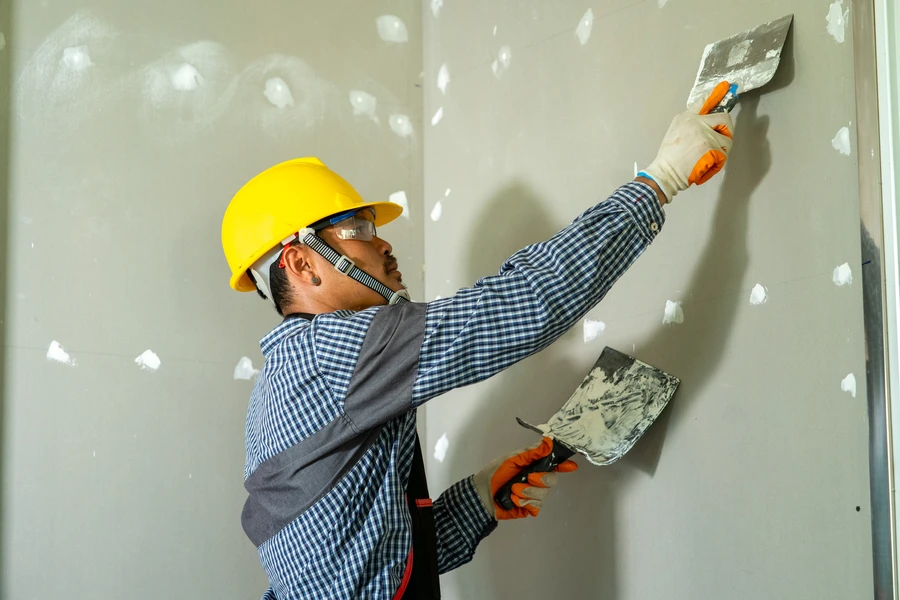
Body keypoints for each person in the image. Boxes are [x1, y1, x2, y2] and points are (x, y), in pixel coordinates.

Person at [220, 96, 734, 599]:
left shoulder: (283, 382)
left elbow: (364, 563)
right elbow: (526, 301)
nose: (383, 244)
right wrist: (660, 181)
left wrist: (478, 499)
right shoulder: (337, 354)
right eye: (359, 229)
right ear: (303, 264)